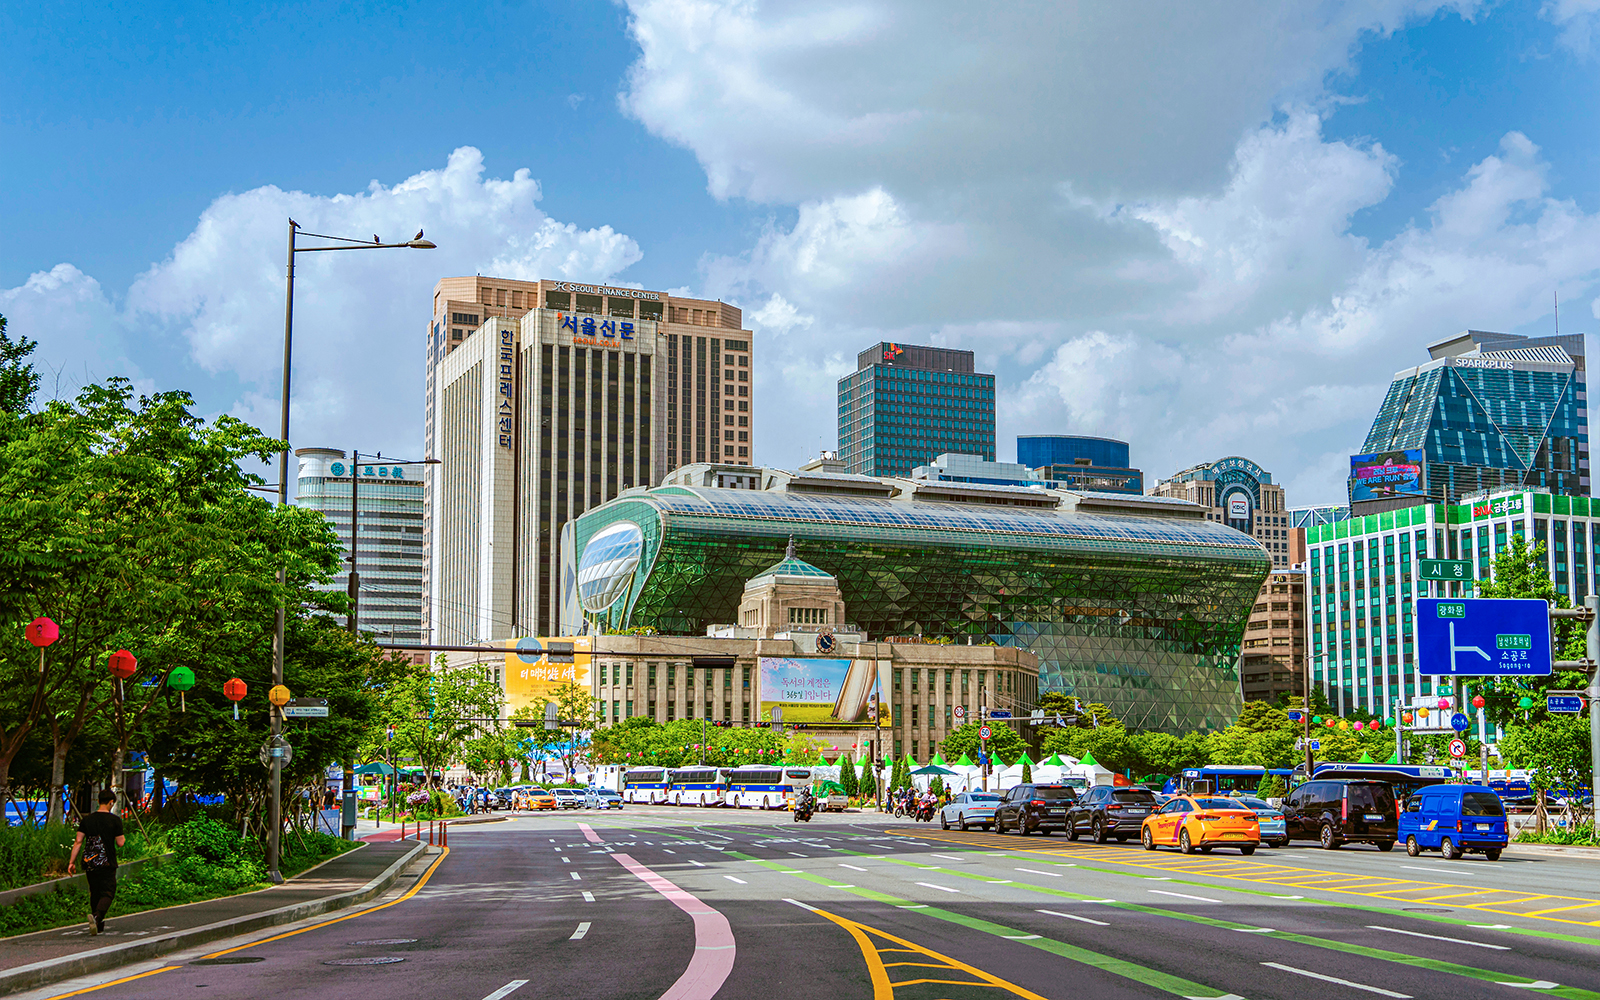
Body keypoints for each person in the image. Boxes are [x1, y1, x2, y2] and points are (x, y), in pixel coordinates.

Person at [67, 790, 125, 935]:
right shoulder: (115, 820)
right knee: (108, 892)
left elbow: (78, 841)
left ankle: (97, 924)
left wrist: (71, 862)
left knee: (95, 892)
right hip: (107, 862)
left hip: (90, 862)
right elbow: (120, 843)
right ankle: (97, 917)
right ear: (111, 802)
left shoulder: (87, 820)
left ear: (99, 801)